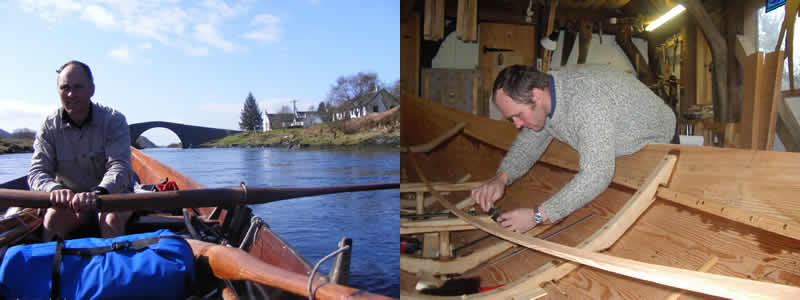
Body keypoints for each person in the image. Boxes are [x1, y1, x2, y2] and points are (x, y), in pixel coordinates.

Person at [471, 64, 676, 233]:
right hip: (616, 135)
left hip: (658, 141)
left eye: (519, 115)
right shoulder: (548, 93)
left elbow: (597, 175)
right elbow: (529, 142)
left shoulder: (586, 103)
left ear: (537, 96)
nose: (516, 124)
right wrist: (502, 177)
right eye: (511, 118)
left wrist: (537, 215)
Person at [28, 60, 133, 240]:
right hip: (70, 203)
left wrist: (98, 193)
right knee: (53, 218)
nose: (71, 94)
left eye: (78, 87)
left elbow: (120, 167)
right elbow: (37, 172)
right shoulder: (48, 125)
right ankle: (53, 265)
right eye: (65, 88)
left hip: (110, 198)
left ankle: (113, 265)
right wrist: (54, 189)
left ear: (91, 90)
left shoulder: (114, 120)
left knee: (111, 219)